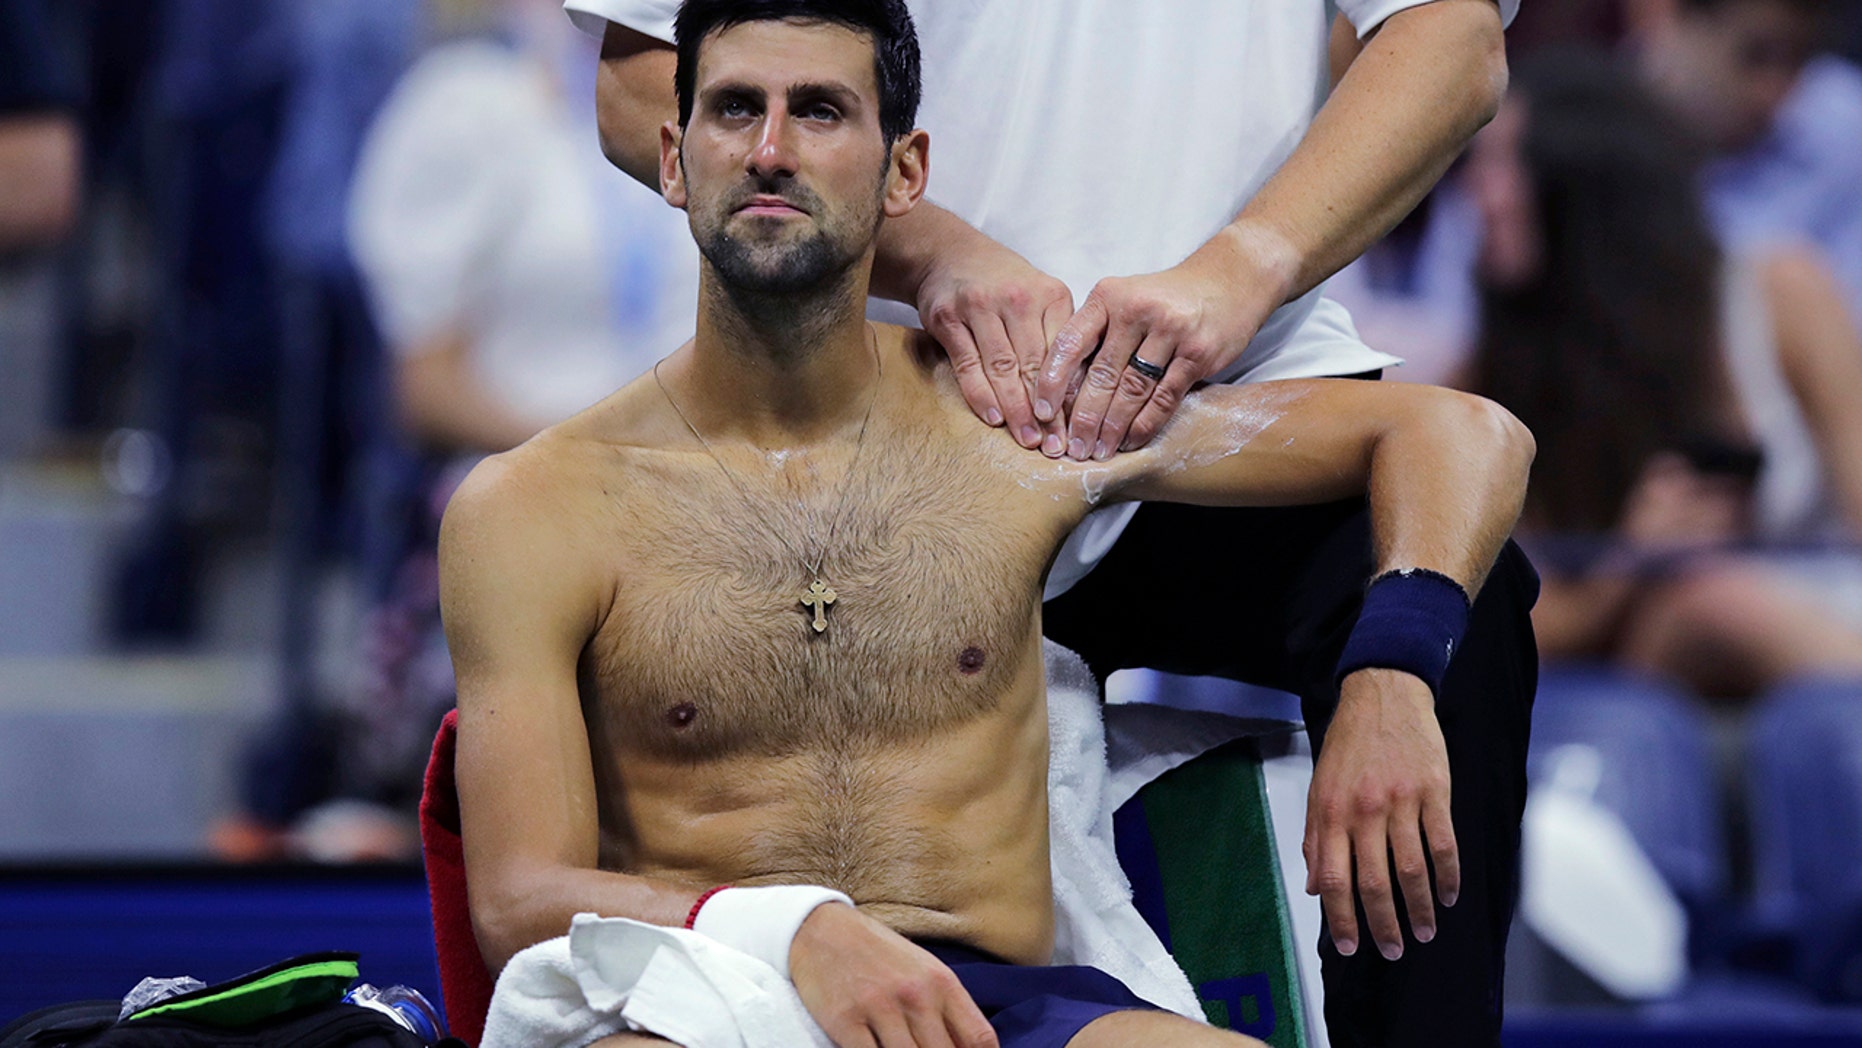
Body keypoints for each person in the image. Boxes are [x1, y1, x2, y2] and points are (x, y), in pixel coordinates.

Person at [445, 3, 1537, 1046]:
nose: (771, 149)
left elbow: (1464, 435)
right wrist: (790, 931)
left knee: (1459, 615)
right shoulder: (537, 504)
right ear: (674, 157)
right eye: (735, 111)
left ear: (903, 172)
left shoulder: (1015, 439)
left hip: (998, 1005)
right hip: (700, 999)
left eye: (819, 112)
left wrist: (1389, 671)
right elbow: (515, 904)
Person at [1464, 55, 1862, 700]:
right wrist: (1634, 559)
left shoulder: (1780, 294)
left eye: (1503, 165)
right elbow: (1501, 628)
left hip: (1819, 622)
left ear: (1586, 182)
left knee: (1715, 602)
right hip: (1640, 665)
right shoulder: (1496, 370)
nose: (1478, 194)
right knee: (1694, 607)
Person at [1629, 0, 1862, 307]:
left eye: (1799, 61)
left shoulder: (1843, 126)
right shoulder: (1592, 136)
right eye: (1757, 55)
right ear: (1676, 22)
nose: (1774, 92)